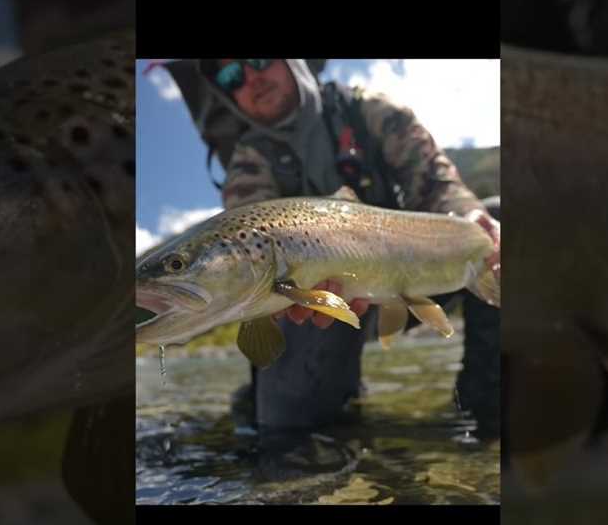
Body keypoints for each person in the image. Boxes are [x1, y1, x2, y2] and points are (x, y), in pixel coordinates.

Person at [180, 58, 500, 435]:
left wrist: (470, 216)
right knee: (290, 433)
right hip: (315, 305)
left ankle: (487, 417)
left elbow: (435, 183)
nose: (252, 78)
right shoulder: (249, 162)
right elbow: (243, 254)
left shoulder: (369, 111)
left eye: (260, 59)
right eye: (232, 76)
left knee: (494, 222)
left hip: (415, 275)